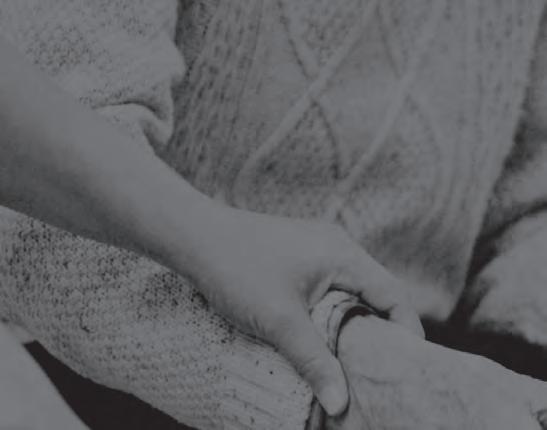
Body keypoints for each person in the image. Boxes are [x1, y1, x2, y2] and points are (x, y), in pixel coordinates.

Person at [1, 0, 547, 429]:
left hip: (440, 360)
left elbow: (530, 205)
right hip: (147, 370)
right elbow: (35, 218)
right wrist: (350, 377)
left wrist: (504, 383)